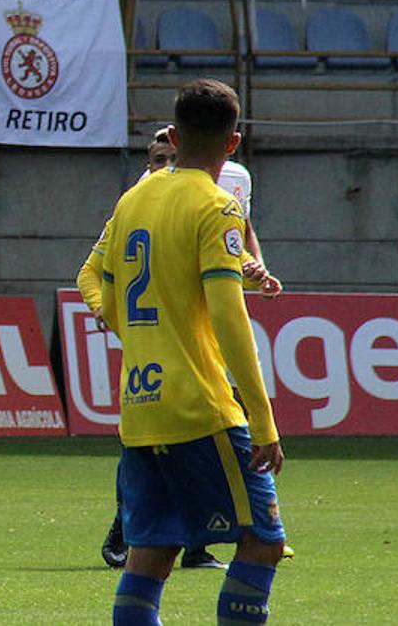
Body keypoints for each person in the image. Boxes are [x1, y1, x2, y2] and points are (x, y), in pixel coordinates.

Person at [92, 79, 287, 625]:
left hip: (140, 406)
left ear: (173, 136)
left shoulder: (133, 199)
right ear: (233, 144)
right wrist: (263, 419)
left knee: (152, 552)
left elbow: (107, 297)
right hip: (200, 407)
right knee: (263, 541)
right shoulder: (218, 206)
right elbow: (228, 316)